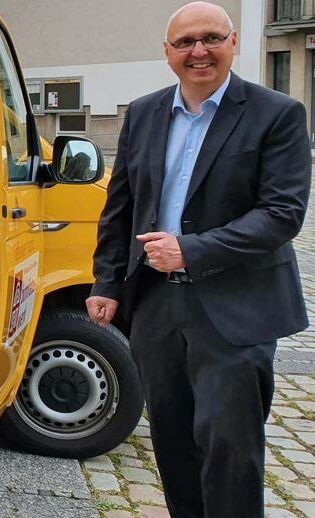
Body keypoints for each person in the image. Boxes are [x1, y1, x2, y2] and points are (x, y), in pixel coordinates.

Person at [87, 3, 309, 516]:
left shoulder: (276, 113)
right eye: (185, 42)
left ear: (233, 43)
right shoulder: (143, 113)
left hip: (235, 307)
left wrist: (192, 249)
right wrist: (107, 282)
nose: (199, 51)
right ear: (167, 53)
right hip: (157, 306)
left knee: (230, 449)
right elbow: (119, 206)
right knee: (172, 441)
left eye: (211, 38)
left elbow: (281, 214)